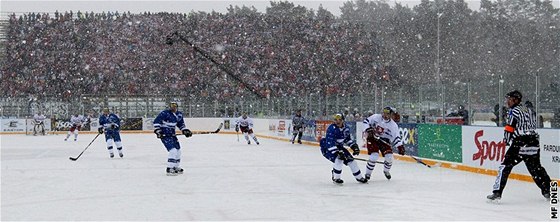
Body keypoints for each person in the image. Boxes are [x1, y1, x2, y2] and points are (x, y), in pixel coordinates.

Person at [487, 90, 551, 201]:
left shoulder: (513, 111)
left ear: (516, 100)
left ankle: (497, 192)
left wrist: (506, 140)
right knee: (536, 169)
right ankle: (549, 191)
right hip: (534, 141)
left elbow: (510, 127)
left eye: (510, 99)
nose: (508, 101)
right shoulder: (529, 110)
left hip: (520, 142)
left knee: (505, 167)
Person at [320, 113, 368, 184]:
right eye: (336, 120)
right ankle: (336, 178)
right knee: (339, 159)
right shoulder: (331, 129)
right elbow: (330, 143)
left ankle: (359, 177)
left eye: (339, 120)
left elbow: (347, 139)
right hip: (327, 148)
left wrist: (354, 146)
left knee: (352, 161)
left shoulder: (346, 128)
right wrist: (337, 152)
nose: (337, 121)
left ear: (343, 120)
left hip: (339, 147)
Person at [362, 106, 405, 181]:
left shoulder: (393, 125)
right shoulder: (376, 117)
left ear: (391, 115)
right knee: (374, 156)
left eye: (387, 114)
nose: (385, 115)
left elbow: (396, 137)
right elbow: (366, 122)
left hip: (384, 141)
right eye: (384, 113)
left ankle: (386, 171)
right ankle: (368, 174)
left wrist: (400, 146)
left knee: (389, 158)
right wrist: (368, 129)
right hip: (373, 139)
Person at [153, 102, 192, 176]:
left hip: (172, 134)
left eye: (174, 106)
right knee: (173, 150)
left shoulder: (179, 114)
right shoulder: (164, 113)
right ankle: (169, 168)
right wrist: (158, 131)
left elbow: (181, 124)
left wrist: (185, 130)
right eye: (172, 106)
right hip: (165, 135)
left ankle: (175, 166)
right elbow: (156, 122)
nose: (173, 108)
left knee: (178, 150)